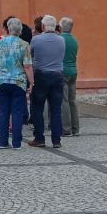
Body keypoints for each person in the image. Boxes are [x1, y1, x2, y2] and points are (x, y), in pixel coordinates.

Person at [0, 18, 34, 149]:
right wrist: (31, 82)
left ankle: (3, 142)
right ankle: (16, 143)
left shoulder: (0, 43)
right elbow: (27, 66)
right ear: (20, 30)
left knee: (3, 111)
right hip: (18, 81)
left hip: (2, 80)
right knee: (17, 112)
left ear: (8, 29)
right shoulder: (24, 44)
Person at [28, 16, 65, 148]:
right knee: (55, 109)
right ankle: (56, 140)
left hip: (41, 74)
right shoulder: (61, 40)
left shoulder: (36, 40)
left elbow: (31, 55)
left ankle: (39, 138)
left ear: (43, 27)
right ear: (55, 27)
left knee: (37, 107)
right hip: (57, 75)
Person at [60, 17, 81, 137]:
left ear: (62, 27)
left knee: (64, 100)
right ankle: (75, 128)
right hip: (73, 70)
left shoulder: (60, 39)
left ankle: (66, 129)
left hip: (63, 71)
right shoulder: (74, 40)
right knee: (73, 100)